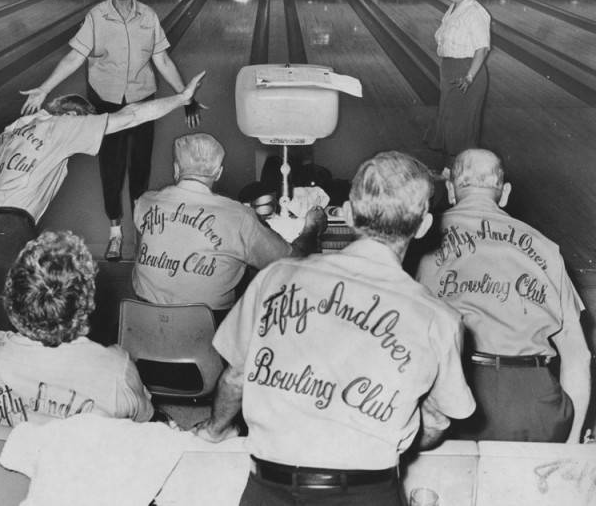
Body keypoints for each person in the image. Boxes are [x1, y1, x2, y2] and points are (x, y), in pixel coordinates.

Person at [194, 151, 475, 506]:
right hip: (368, 492)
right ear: (423, 226)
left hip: (269, 488)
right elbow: (436, 423)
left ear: (348, 214)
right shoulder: (439, 318)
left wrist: (214, 429)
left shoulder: (275, 277)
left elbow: (236, 378)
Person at [0, 72, 204, 330]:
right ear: (72, 116)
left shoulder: (14, 129)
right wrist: (181, 98)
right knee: (41, 329)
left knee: (9, 332)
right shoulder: (63, 126)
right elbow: (131, 115)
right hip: (4, 240)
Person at [20, 0, 202, 262]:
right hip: (105, 104)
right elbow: (75, 56)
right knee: (112, 169)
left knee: (140, 169)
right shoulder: (95, 17)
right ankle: (116, 231)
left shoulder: (148, 17)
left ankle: (143, 233)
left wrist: (185, 94)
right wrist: (45, 88)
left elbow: (162, 59)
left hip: (142, 100)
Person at [416, 148, 591, 443]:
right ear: (505, 192)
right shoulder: (546, 247)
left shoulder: (422, 240)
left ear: (450, 189)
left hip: (457, 391)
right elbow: (579, 356)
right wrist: (572, 445)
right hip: (534, 400)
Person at [132, 133, 327, 322]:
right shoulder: (239, 217)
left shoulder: (145, 203)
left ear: (176, 169)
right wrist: (312, 226)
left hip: (142, 328)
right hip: (207, 337)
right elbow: (291, 263)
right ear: (218, 173)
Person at [0, 230, 154, 426]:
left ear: (12, 300)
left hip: (17, 453)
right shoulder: (117, 368)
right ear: (86, 304)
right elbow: (143, 418)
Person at [428, 0, 491, 170]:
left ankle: (457, 177)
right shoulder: (455, 7)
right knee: (450, 125)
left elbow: (482, 48)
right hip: (451, 73)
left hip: (466, 74)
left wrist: (469, 77)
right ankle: (450, 172)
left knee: (460, 129)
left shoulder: (475, 12)